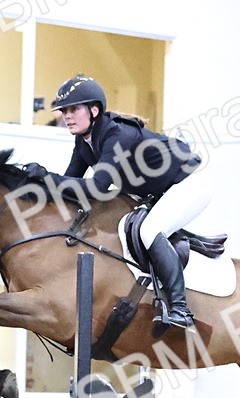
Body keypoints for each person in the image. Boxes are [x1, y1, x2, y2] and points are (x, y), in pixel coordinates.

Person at [49, 74, 209, 329]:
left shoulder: (117, 134)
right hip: (157, 190)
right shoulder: (84, 142)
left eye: (73, 109)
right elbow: (69, 185)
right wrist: (32, 185)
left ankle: (181, 309)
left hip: (188, 183)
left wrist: (46, 179)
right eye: (64, 110)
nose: (67, 115)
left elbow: (97, 187)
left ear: (94, 109)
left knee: (150, 230)